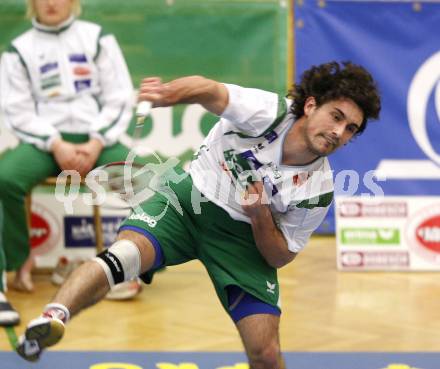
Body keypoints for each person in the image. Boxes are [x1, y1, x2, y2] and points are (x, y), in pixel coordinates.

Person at [16, 61, 381, 367]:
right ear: (310, 105)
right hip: (186, 202)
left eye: (350, 129)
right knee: (123, 255)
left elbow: (280, 255)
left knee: (266, 353)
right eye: (336, 116)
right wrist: (168, 94)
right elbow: (210, 90)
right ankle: (52, 318)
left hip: (243, 239)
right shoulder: (267, 113)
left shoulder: (317, 189)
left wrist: (260, 218)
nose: (338, 132)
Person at [0, 0, 134, 325]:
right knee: (6, 177)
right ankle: (19, 263)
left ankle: (132, 266)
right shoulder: (18, 50)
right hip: (45, 143)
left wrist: (96, 140)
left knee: (143, 179)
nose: (50, 3)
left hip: (95, 138)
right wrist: (55, 143)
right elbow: (16, 109)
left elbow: (121, 96)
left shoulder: (98, 37)